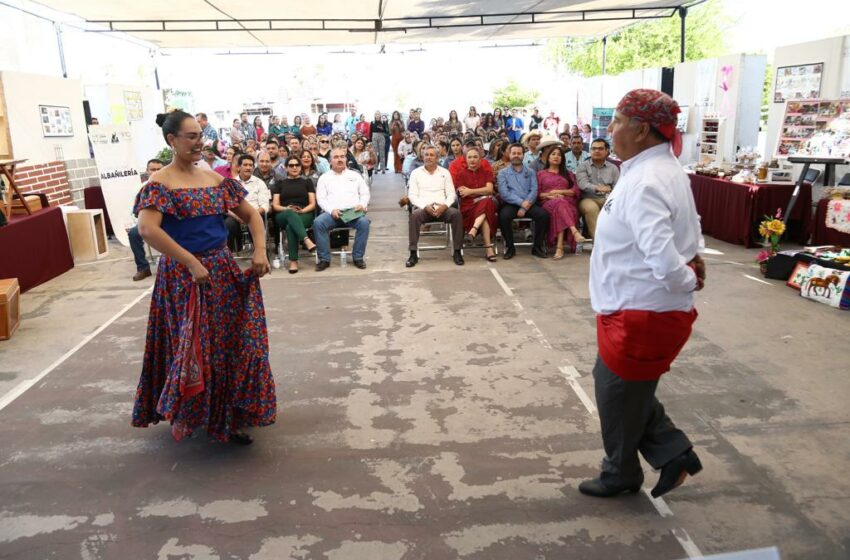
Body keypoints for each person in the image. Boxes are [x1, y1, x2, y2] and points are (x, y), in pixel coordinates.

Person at [580, 88, 705, 499]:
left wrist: (689, 277)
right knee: (621, 387)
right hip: (629, 306)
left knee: (617, 396)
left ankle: (620, 473)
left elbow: (665, 262)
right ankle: (672, 453)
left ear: (642, 129)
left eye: (616, 122)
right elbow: (691, 229)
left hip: (641, 312)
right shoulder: (649, 169)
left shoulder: (649, 179)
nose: (609, 130)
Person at [133, 109, 274, 444]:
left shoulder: (213, 179)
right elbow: (146, 229)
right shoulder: (160, 183)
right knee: (195, 346)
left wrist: (259, 250)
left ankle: (227, 415)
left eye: (201, 136)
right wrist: (190, 262)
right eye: (192, 137)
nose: (199, 143)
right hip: (183, 278)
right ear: (172, 140)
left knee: (228, 344)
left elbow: (252, 215)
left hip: (221, 271)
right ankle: (193, 412)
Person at [405, 145, 464, 267]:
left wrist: (444, 206)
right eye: (426, 155)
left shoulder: (445, 172)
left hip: (442, 208)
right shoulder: (416, 173)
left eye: (432, 155)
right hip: (424, 208)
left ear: (437, 158)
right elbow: (413, 196)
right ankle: (413, 253)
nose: (429, 157)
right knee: (414, 216)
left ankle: (457, 251)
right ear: (422, 157)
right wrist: (425, 206)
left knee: (456, 214)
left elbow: (451, 194)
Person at [313, 147, 371, 271]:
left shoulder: (355, 175)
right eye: (336, 157)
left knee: (364, 223)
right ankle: (324, 259)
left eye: (342, 156)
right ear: (330, 161)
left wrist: (362, 204)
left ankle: (358, 257)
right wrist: (331, 210)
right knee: (318, 223)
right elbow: (321, 199)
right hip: (332, 213)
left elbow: (365, 193)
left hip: (352, 213)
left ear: (346, 159)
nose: (340, 160)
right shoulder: (324, 177)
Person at [497, 143, 550, 259]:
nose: (516, 155)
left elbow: (534, 190)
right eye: (514, 153)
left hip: (528, 203)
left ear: (523, 155)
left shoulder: (530, 172)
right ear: (509, 155)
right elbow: (504, 193)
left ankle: (537, 247)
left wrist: (524, 206)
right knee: (503, 217)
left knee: (543, 215)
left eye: (519, 153)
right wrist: (521, 203)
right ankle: (510, 248)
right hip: (510, 204)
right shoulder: (502, 173)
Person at [537, 146, 586, 260]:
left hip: (566, 203)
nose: (556, 156)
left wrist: (560, 192)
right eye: (553, 154)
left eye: (559, 155)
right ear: (548, 157)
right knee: (560, 204)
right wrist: (550, 195)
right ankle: (574, 231)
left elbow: (575, 191)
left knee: (560, 205)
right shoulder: (540, 174)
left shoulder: (567, 174)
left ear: (562, 159)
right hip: (547, 203)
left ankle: (560, 247)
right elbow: (537, 193)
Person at [450, 146, 497, 262]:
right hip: (468, 208)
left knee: (486, 202)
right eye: (469, 157)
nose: (472, 160)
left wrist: (471, 191)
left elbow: (490, 190)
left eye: (475, 157)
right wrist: (481, 192)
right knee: (486, 203)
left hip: (483, 206)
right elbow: (463, 193)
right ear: (466, 160)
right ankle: (488, 248)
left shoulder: (486, 172)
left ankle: (474, 230)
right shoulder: (461, 174)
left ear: (480, 159)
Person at [272, 156, 318, 274]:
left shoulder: (307, 182)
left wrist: (303, 211)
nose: (294, 167)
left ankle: (293, 261)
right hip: (283, 213)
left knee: (290, 227)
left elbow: (313, 204)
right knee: (290, 213)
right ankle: (306, 240)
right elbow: (275, 205)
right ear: (286, 168)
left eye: (297, 165)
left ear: (300, 167)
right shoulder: (280, 183)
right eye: (291, 165)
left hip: (304, 213)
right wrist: (286, 208)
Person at [224, 154, 270, 252]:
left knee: (256, 223)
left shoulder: (259, 183)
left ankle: (261, 256)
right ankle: (229, 257)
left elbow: (265, 206)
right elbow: (226, 206)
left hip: (256, 214)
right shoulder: (231, 183)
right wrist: (237, 217)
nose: (248, 167)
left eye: (251, 165)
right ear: (239, 167)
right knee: (228, 224)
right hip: (236, 217)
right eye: (245, 165)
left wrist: (252, 215)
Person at [129, 159, 164, 281]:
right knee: (133, 233)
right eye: (152, 169)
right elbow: (135, 210)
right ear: (147, 171)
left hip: (168, 221)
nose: (155, 172)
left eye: (159, 169)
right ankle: (143, 268)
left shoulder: (170, 184)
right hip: (148, 221)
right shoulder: (142, 188)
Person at [576, 138, 620, 239]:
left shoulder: (613, 168)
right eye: (594, 148)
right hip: (587, 198)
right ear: (590, 151)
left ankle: (616, 241)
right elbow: (583, 184)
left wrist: (610, 191)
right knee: (591, 208)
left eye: (600, 149)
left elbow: (617, 187)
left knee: (619, 207)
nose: (596, 151)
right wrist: (599, 188)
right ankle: (598, 243)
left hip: (608, 198)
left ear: (606, 151)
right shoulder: (582, 166)